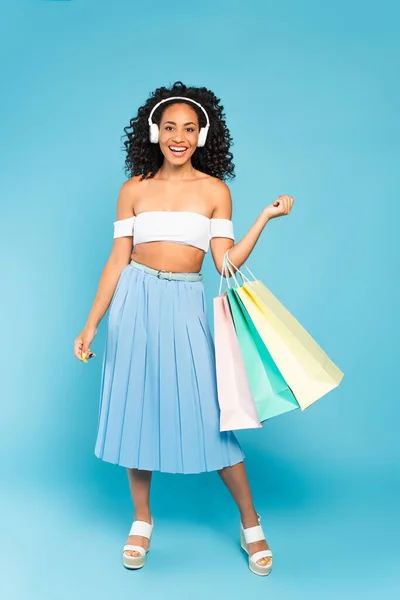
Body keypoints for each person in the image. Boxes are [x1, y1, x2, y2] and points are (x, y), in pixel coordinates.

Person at [74, 80, 294, 576]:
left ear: (203, 134)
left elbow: (225, 264)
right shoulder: (133, 189)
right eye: (169, 126)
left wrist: (265, 217)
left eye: (189, 128)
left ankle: (250, 522)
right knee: (136, 407)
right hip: (133, 299)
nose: (179, 136)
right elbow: (116, 261)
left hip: (184, 301)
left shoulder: (216, 191)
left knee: (209, 415)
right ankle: (142, 519)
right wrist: (91, 326)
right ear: (155, 132)